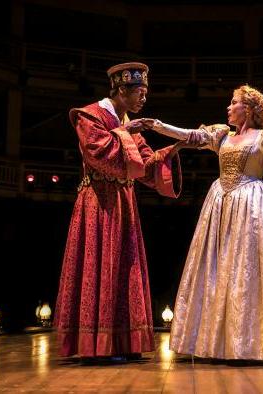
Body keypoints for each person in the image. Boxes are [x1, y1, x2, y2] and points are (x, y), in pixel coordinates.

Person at [141, 84, 263, 361]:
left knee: (249, 268)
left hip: (253, 204)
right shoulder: (222, 135)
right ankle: (218, 343)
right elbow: (191, 136)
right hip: (221, 204)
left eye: (234, 103)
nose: (228, 107)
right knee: (218, 268)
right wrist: (156, 126)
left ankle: (252, 344)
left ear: (249, 109)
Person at [54, 62, 189, 360]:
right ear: (120, 89)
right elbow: (101, 153)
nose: (143, 99)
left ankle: (124, 343)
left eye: (145, 93)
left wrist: (174, 149)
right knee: (99, 264)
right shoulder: (90, 115)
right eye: (139, 92)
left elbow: (145, 166)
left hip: (123, 202)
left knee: (124, 267)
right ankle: (94, 346)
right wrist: (125, 131)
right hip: (99, 201)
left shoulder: (128, 123)